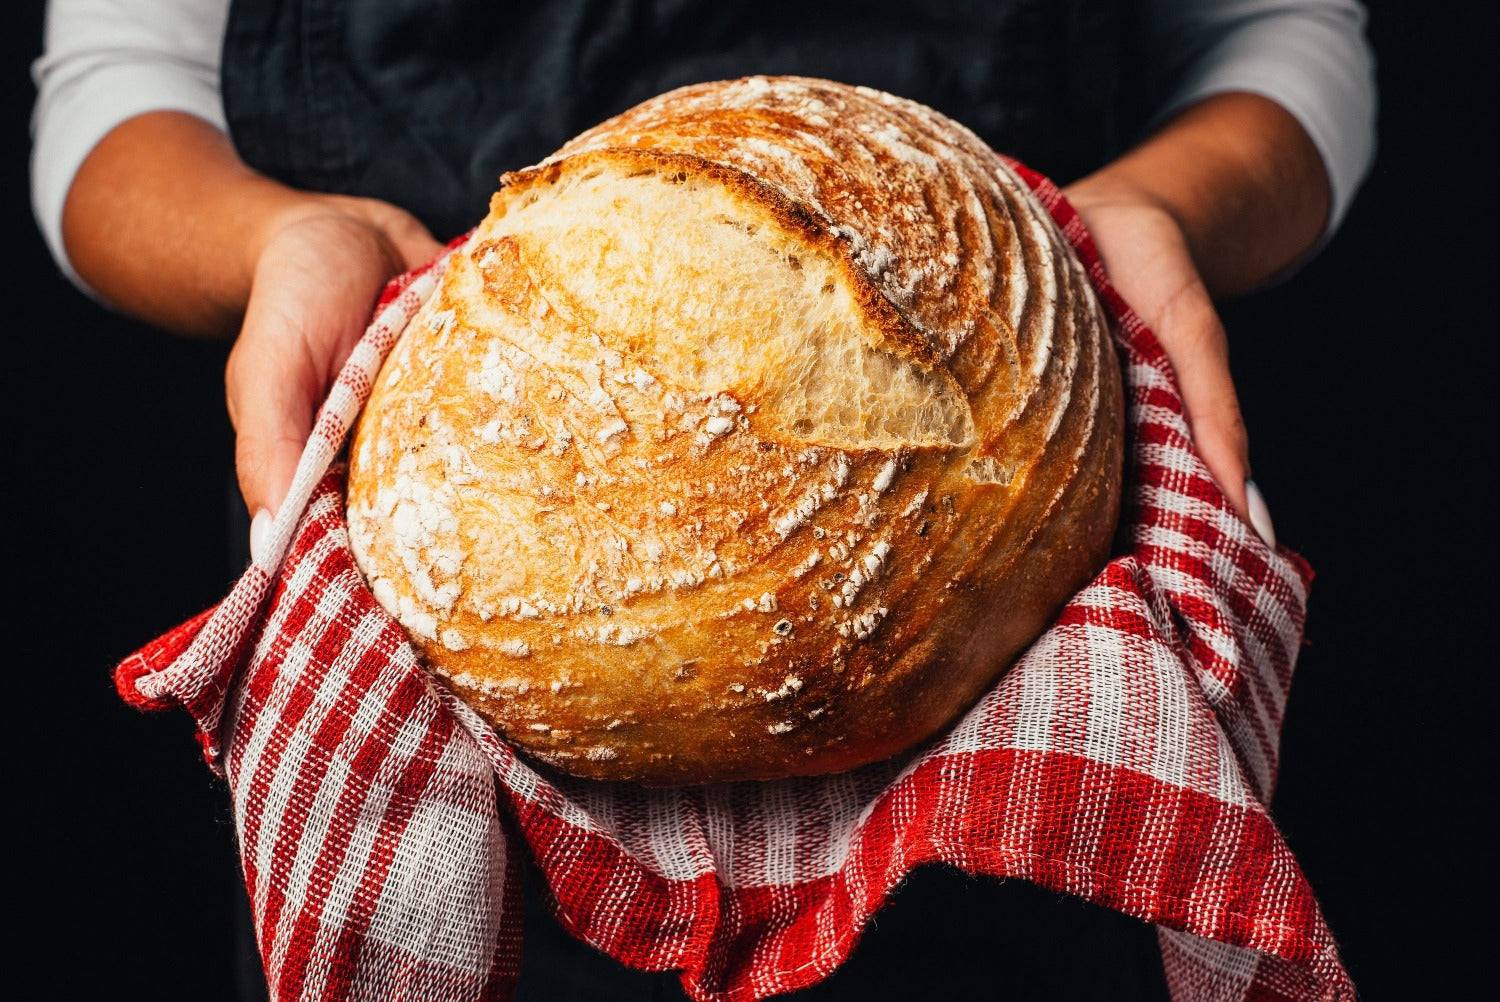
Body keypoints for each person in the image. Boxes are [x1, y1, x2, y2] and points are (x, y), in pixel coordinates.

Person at [32, 1, 1376, 998]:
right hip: (442, 783)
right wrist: (274, 239)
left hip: (1021, 798)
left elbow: (1282, 36)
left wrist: (1157, 209)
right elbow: (111, 92)